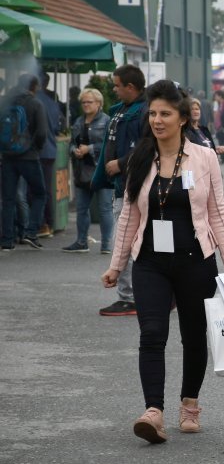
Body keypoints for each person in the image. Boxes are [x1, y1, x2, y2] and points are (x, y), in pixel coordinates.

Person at [100, 79, 224, 444]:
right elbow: (129, 216)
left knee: (194, 337)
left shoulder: (205, 157)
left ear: (182, 118)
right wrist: (117, 264)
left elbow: (217, 212)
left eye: (165, 113)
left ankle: (190, 404)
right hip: (150, 262)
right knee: (152, 333)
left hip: (195, 261)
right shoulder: (140, 157)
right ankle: (153, 412)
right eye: (152, 113)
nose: (157, 120)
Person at [92, 64, 147, 317]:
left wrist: (121, 163)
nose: (113, 89)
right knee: (133, 242)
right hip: (122, 185)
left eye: (116, 85)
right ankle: (145, 294)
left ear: (130, 87)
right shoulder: (125, 110)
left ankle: (130, 297)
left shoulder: (143, 111)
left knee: (123, 242)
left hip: (131, 186)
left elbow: (148, 148)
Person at [0, 74, 48, 251]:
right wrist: (35, 148)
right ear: (34, 86)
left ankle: (6, 240)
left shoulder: (5, 102)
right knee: (39, 194)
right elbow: (42, 132)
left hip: (7, 157)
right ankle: (30, 231)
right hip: (29, 157)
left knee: (8, 199)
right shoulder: (35, 103)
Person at [62, 88, 112, 253]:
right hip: (81, 171)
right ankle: (81, 242)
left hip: (101, 170)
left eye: (89, 102)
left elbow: (110, 146)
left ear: (99, 103)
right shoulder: (78, 121)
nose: (85, 105)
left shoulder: (106, 121)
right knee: (81, 208)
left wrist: (89, 149)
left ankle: (106, 245)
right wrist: (74, 150)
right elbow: (71, 144)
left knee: (105, 208)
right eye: (83, 102)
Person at [35, 73, 65, 238]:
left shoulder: (35, 100)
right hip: (51, 149)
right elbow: (58, 125)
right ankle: (49, 223)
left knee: (37, 190)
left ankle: (41, 224)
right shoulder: (52, 103)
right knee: (47, 189)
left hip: (38, 150)